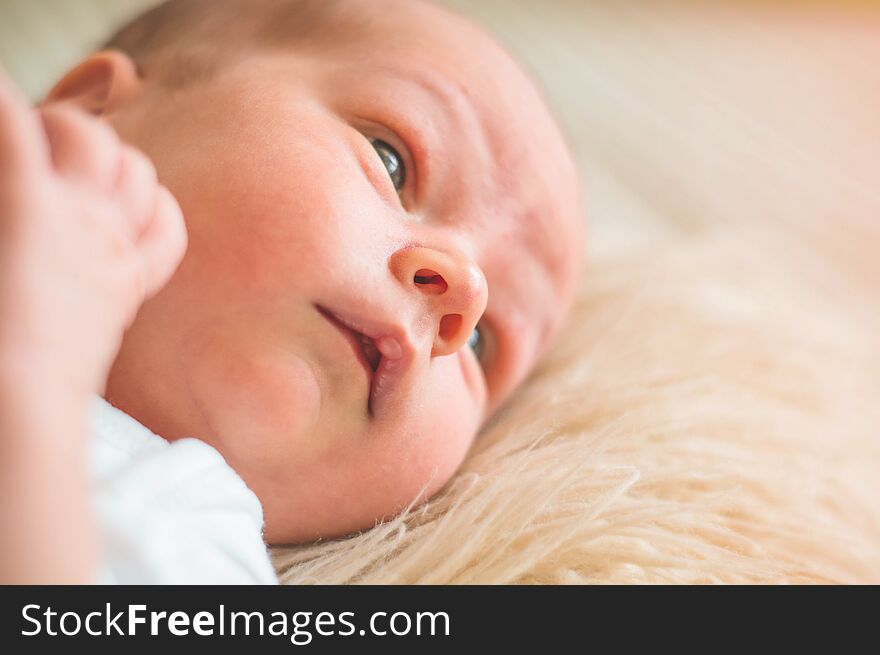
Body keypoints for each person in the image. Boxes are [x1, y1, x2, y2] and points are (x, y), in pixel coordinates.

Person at [0, 0, 584, 583]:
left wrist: (36, 362)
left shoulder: (195, 541)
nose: (463, 295)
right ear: (94, 111)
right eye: (391, 162)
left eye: (481, 343)